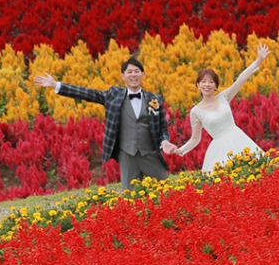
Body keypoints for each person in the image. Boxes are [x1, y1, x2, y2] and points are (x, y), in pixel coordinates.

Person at [32, 57, 177, 189]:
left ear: (143, 75)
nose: (133, 75)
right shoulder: (113, 95)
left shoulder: (155, 99)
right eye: (130, 72)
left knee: (167, 191)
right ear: (123, 76)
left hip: (150, 153)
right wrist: (56, 85)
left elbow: (162, 129)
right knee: (130, 198)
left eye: (137, 71)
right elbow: (87, 93)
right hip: (128, 154)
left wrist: (164, 142)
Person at [167, 43, 271, 173]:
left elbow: (241, 78)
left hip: (239, 140)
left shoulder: (224, 97)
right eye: (203, 82)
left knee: (256, 172)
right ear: (198, 86)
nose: (207, 85)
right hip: (219, 150)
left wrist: (259, 60)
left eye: (211, 82)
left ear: (216, 86)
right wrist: (180, 150)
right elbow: (195, 139)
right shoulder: (196, 112)